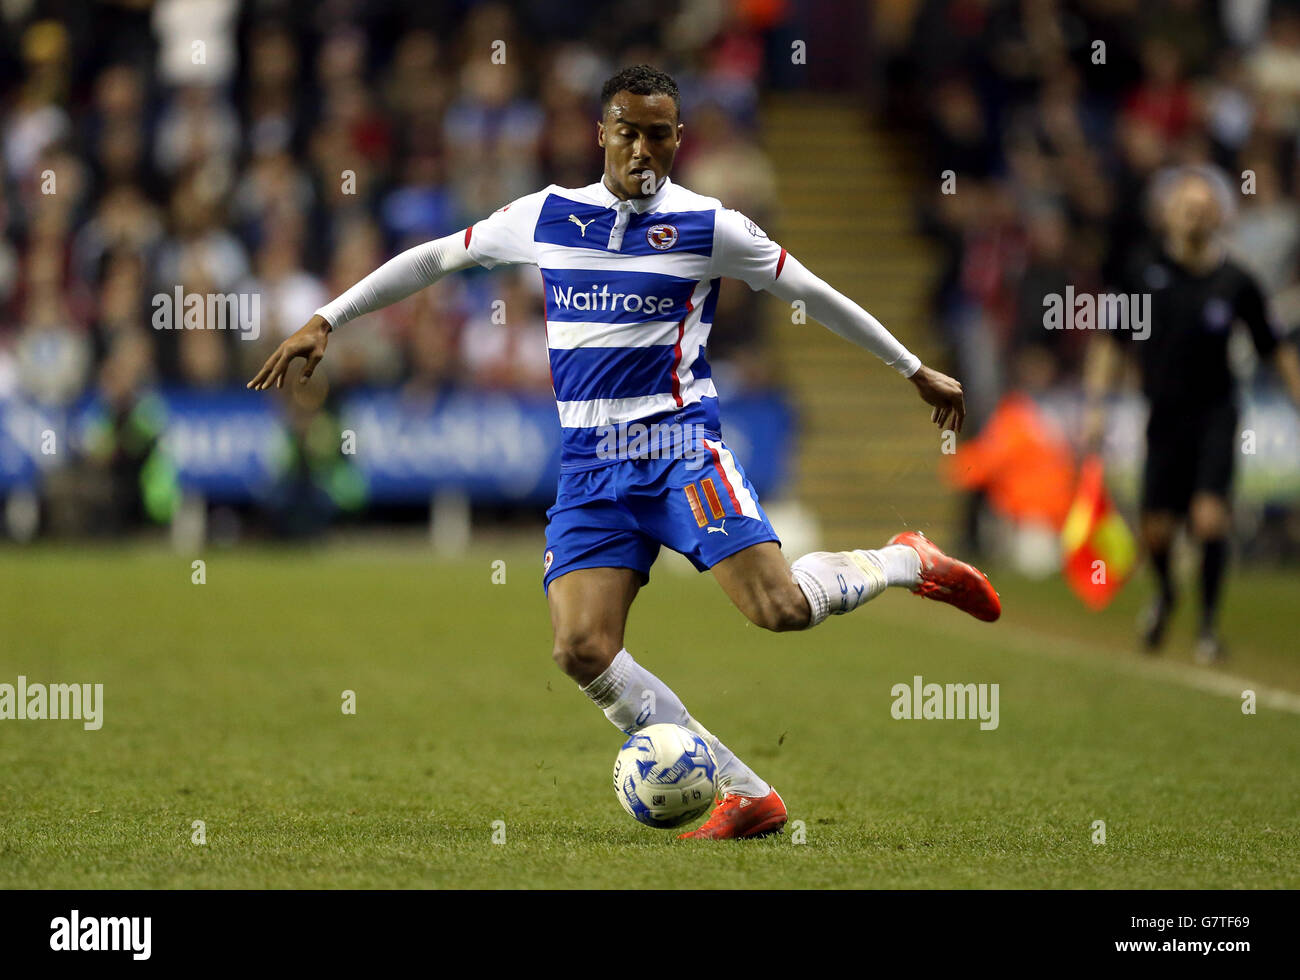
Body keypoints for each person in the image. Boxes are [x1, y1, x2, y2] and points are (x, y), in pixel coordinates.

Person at [249, 65, 1001, 839]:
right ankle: (745, 792)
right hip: (589, 465)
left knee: (779, 608)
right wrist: (327, 320)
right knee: (580, 648)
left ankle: (907, 559)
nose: (642, 148)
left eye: (659, 134)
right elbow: (438, 258)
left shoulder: (712, 227)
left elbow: (812, 295)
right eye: (628, 131)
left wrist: (912, 368)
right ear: (601, 133)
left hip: (682, 451)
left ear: (678, 140)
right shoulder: (546, 215)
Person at [1084, 166, 1300, 663]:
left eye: (1204, 208)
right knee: (1156, 530)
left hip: (1216, 414)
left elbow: (1275, 345)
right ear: (1169, 215)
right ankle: (1165, 594)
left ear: (1218, 216)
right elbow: (1110, 344)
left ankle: (1207, 629)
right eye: (1187, 207)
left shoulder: (1236, 281)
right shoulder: (1141, 272)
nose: (1195, 216)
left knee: (1208, 520)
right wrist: (1097, 405)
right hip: (1164, 417)